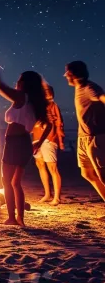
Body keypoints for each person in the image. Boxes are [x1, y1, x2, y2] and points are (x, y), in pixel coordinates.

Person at [0, 47, 51, 227]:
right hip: (25, 143)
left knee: (7, 182)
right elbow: (49, 125)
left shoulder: (22, 97)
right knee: (16, 183)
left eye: (19, 80)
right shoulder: (35, 101)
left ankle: (12, 218)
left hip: (14, 144)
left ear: (24, 83)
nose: (16, 82)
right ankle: (20, 219)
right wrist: (38, 143)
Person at [64, 61, 105, 201]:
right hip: (83, 137)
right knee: (86, 173)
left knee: (103, 175)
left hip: (96, 138)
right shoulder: (78, 87)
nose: (65, 75)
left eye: (67, 73)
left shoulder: (89, 87)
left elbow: (102, 97)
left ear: (73, 74)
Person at [32, 85, 65, 205]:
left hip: (48, 139)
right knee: (40, 165)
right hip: (36, 139)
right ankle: (47, 194)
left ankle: (57, 197)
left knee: (52, 168)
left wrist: (57, 140)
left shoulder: (53, 105)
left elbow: (58, 123)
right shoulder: (38, 106)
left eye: (47, 91)